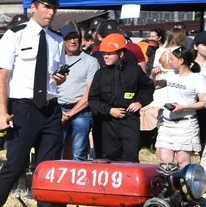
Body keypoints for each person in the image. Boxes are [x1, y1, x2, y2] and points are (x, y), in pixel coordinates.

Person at [0, 0, 67, 207]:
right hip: (23, 107)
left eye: (54, 8)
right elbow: (2, 75)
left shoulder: (57, 40)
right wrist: (2, 111)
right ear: (34, 8)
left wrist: (59, 79)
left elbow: (56, 75)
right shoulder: (15, 35)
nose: (51, 12)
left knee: (47, 168)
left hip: (50, 108)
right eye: (46, 7)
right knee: (14, 165)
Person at [87, 34, 154, 162]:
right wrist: (109, 110)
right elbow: (93, 100)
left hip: (129, 121)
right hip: (106, 123)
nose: (105, 56)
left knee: (130, 158)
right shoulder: (100, 74)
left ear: (121, 54)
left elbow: (148, 88)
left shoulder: (135, 71)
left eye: (109, 53)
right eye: (104, 53)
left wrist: (140, 103)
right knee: (107, 160)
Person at [153, 46, 206, 166]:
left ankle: (181, 184)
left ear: (181, 61)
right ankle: (168, 184)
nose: (169, 61)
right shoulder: (171, 75)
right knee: (165, 161)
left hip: (185, 125)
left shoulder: (197, 78)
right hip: (167, 123)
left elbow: (203, 102)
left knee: (183, 162)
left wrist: (183, 107)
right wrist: (154, 76)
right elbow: (155, 86)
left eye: (171, 59)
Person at [57, 22, 100, 161]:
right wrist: (59, 112)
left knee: (79, 152)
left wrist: (71, 113)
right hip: (59, 110)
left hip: (81, 112)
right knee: (56, 150)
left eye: (75, 37)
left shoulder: (90, 61)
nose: (73, 41)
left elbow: (90, 91)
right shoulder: (55, 60)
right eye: (69, 38)